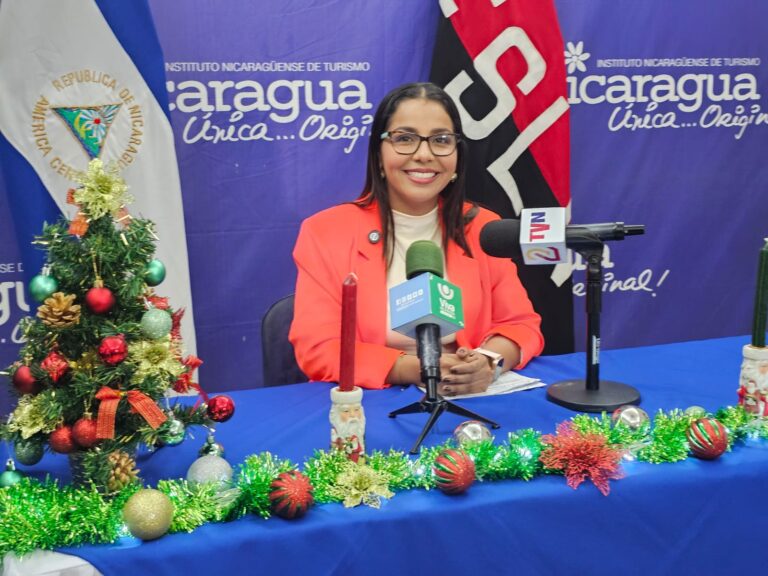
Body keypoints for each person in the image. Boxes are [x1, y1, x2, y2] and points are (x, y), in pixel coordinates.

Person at [289, 82, 543, 396]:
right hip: (374, 401)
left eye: (441, 140)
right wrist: (421, 368)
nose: (424, 154)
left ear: (457, 156)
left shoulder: (482, 228)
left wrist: (488, 362)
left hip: (471, 398)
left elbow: (521, 325)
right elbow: (319, 348)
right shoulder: (326, 232)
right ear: (378, 154)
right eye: (405, 139)